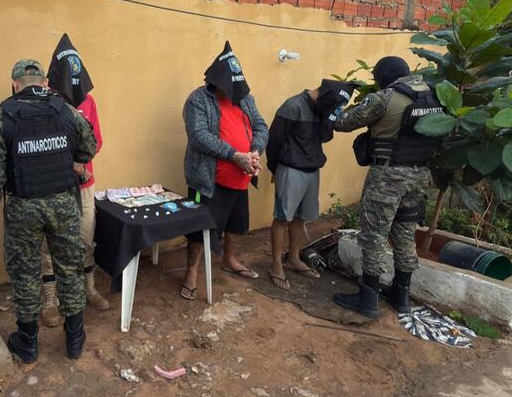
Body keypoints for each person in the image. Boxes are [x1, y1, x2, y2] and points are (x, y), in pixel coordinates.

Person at [0, 59, 97, 363]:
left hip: (23, 206)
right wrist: (70, 159)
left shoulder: (2, 116)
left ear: (14, 84)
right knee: (70, 267)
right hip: (63, 204)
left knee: (25, 272)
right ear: (44, 83)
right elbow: (89, 145)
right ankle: (75, 339)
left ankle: (28, 343)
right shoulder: (65, 111)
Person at [332, 56, 441, 318]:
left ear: (384, 75)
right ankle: (401, 294)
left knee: (375, 234)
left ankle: (368, 299)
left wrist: (335, 106)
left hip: (388, 176)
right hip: (420, 176)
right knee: (405, 232)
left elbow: (343, 122)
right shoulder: (434, 96)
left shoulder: (385, 97)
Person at [180, 41, 269, 300]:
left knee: (236, 223)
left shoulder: (245, 99)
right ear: (216, 82)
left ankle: (229, 259)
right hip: (207, 181)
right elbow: (199, 136)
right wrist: (235, 155)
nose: (231, 93)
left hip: (241, 177)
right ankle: (191, 273)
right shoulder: (198, 100)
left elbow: (261, 126)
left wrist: (255, 152)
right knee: (200, 228)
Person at [40, 34, 108, 328]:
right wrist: (70, 165)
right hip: (53, 186)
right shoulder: (44, 102)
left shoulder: (89, 102)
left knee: (85, 238)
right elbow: (41, 145)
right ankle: (50, 300)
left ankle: (88, 288)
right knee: (49, 244)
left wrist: (81, 163)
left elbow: (97, 140)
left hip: (84, 187)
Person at [266, 80, 354, 290]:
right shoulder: (293, 106)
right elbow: (274, 141)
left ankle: (293, 258)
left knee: (300, 218)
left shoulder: (323, 108)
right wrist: (275, 169)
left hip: (312, 169)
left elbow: (325, 137)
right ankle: (276, 265)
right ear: (324, 96)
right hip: (291, 169)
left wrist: (328, 119)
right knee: (282, 218)